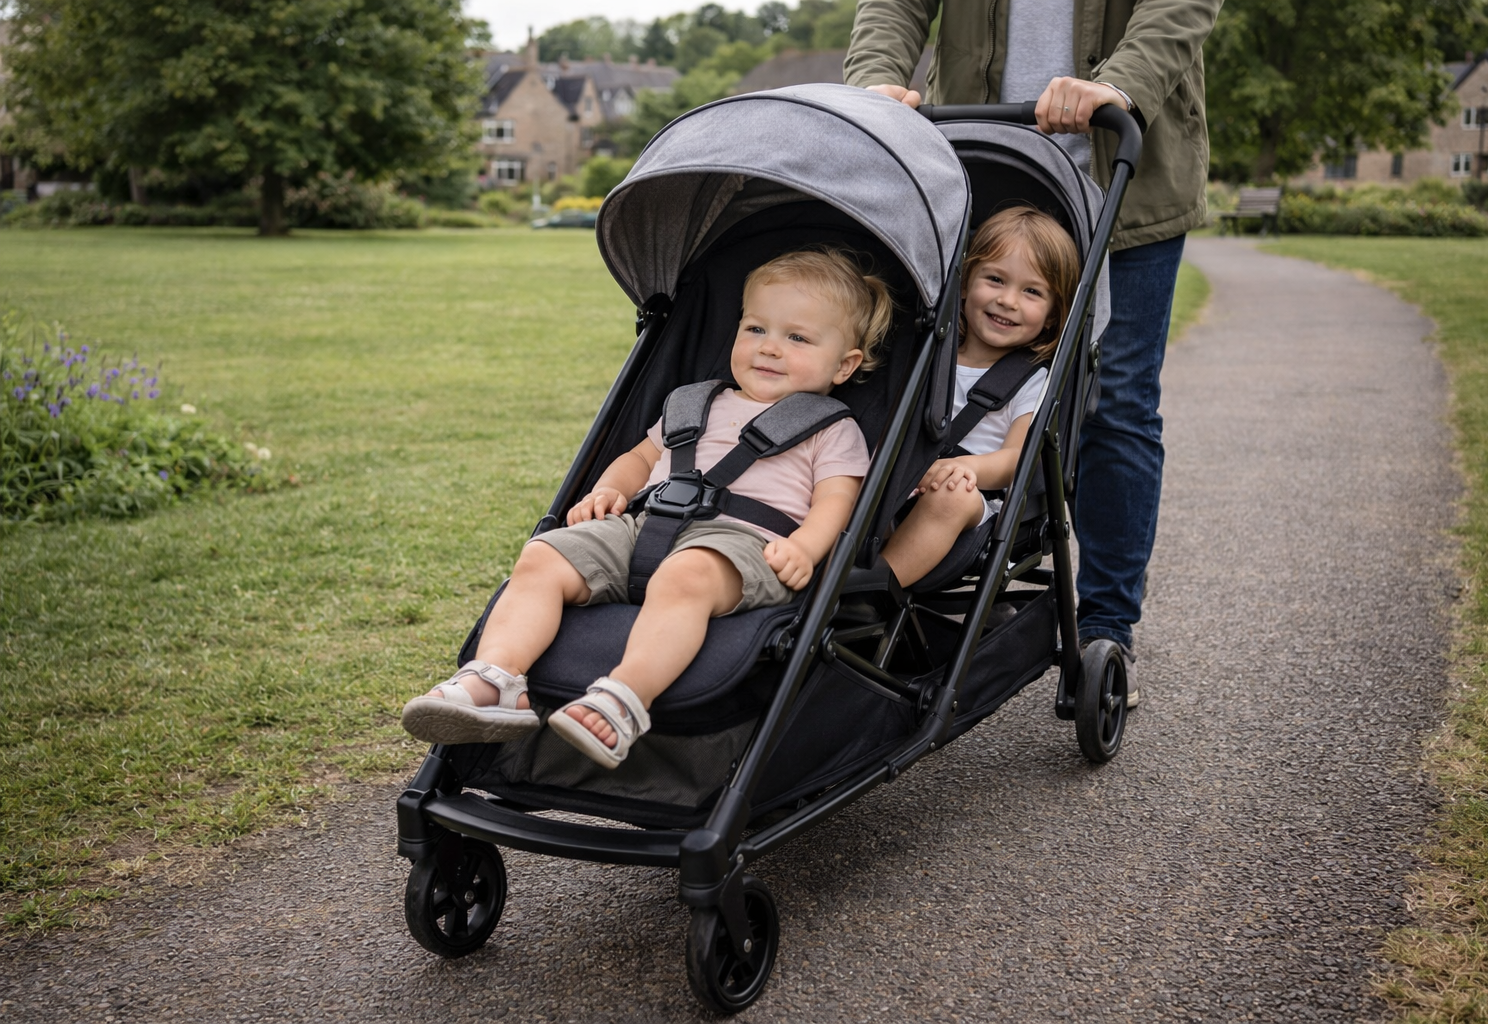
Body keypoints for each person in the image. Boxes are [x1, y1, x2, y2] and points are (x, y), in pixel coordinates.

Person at [846, 0, 1222, 704]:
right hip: (980, 164)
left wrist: (1121, 83)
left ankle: (1104, 628)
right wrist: (875, 81)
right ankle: (874, 577)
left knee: (1116, 405)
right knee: (920, 370)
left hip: (1123, 170)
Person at [402, 249, 888, 767]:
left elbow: (838, 500)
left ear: (844, 365)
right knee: (542, 556)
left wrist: (806, 548)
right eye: (755, 329)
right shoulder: (694, 402)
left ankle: (624, 698)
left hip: (744, 545)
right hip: (644, 525)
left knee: (686, 575)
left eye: (797, 338)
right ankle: (497, 678)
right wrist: (608, 490)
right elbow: (641, 457)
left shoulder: (833, 429)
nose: (769, 348)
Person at [882, 205, 1078, 588]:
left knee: (953, 495)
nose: (1008, 300)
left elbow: (1016, 457)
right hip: (899, 482)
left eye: (1032, 291)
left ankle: (876, 588)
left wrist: (969, 468)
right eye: (995, 279)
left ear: (1054, 315)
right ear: (966, 282)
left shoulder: (1031, 382)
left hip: (973, 500)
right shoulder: (929, 359)